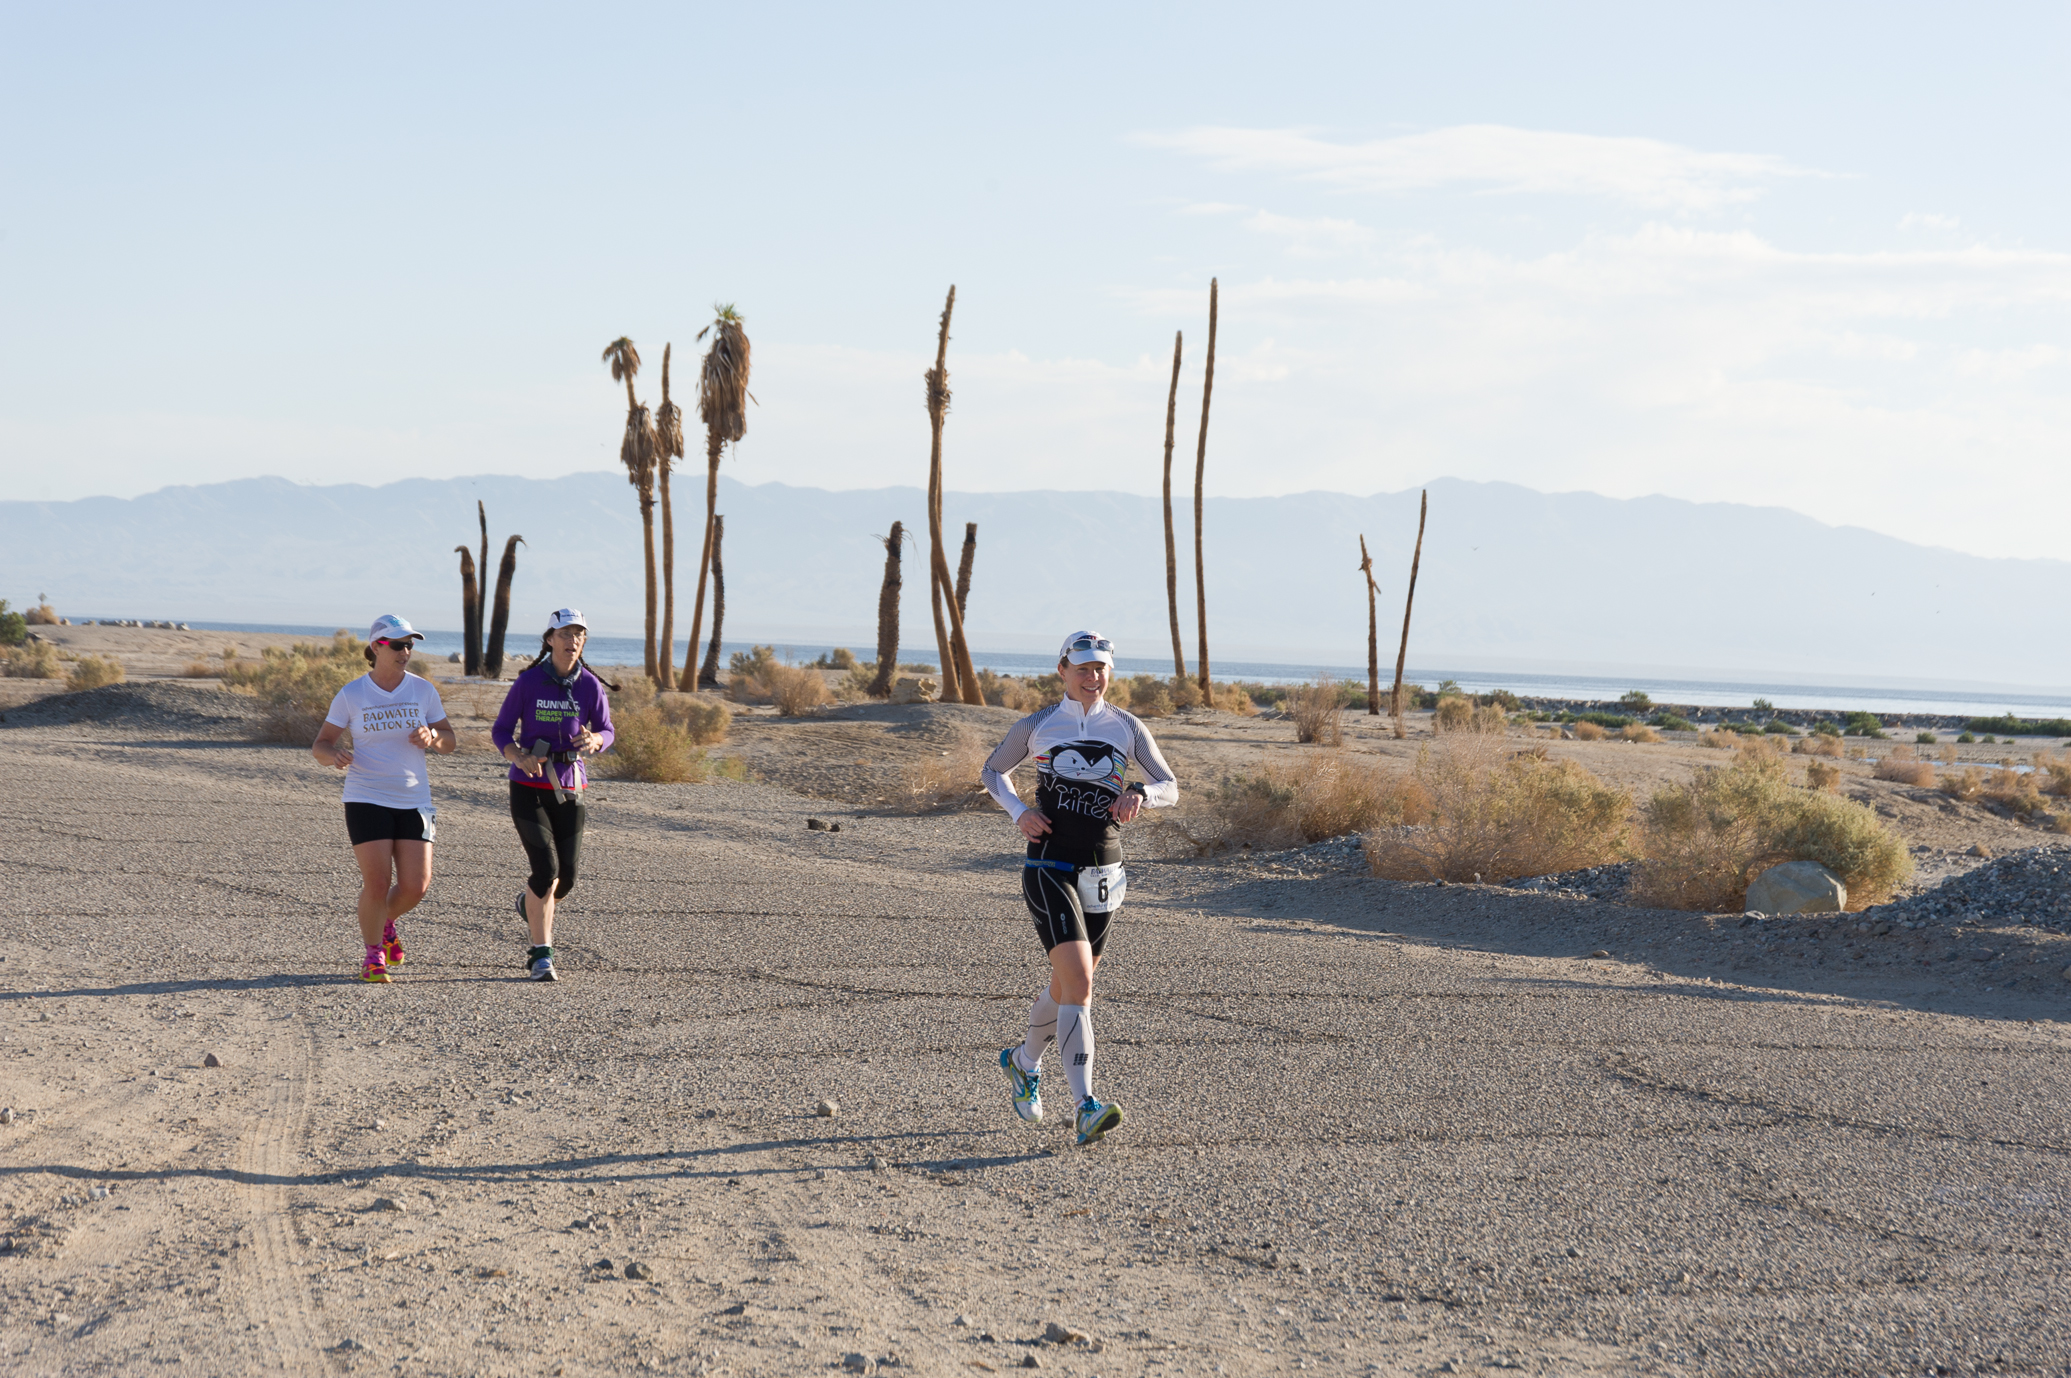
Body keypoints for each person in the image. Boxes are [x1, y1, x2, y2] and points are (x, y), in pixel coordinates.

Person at [981, 630, 1178, 1145]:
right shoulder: (1037, 724)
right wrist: (1019, 811)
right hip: (1049, 863)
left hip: (1106, 871)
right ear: (1063, 670)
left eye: (1101, 669)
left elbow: (1170, 785)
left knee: (1066, 986)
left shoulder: (1127, 727)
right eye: (1083, 668)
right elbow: (993, 769)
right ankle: (1085, 1106)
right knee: (1081, 985)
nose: (1093, 678)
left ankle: (1022, 1063)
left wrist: (1140, 792)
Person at [312, 615, 456, 983]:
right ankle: (373, 956)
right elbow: (321, 745)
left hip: (414, 798)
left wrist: (432, 739)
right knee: (377, 884)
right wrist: (335, 755)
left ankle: (385, 920)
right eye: (397, 644)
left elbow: (449, 740)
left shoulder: (423, 690)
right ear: (376, 646)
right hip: (366, 796)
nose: (405, 651)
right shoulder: (353, 694)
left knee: (415, 886)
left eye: (410, 644)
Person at [491, 608, 615, 982]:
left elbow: (607, 730)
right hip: (529, 786)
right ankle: (541, 955)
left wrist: (595, 739)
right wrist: (518, 756)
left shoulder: (590, 685)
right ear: (549, 640)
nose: (572, 641)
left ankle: (530, 903)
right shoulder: (528, 683)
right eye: (564, 634)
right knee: (546, 869)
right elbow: (500, 731)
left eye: (579, 635)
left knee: (568, 878)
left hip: (571, 787)